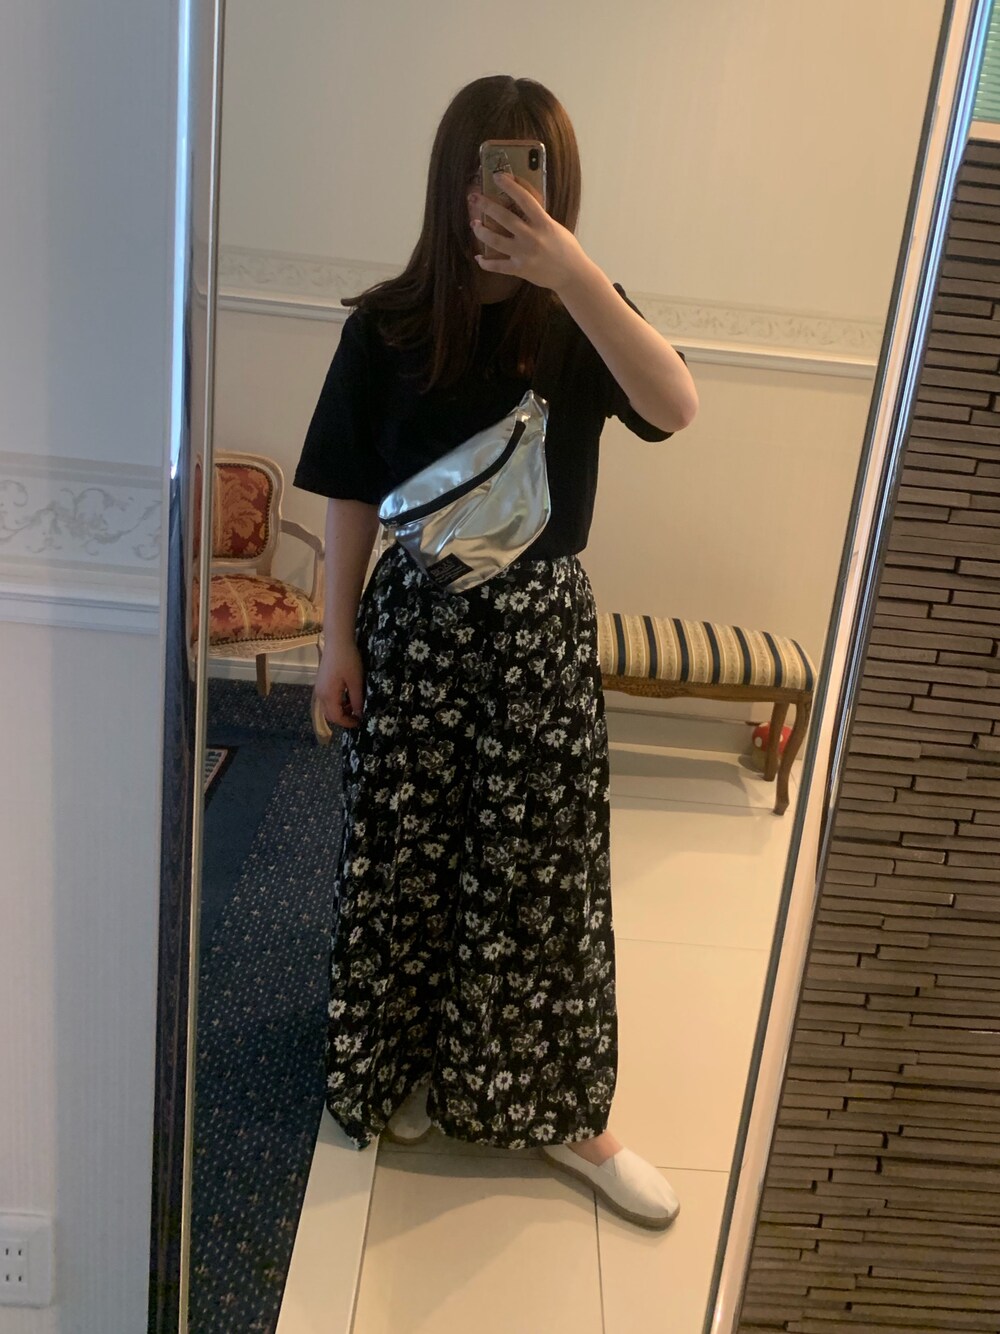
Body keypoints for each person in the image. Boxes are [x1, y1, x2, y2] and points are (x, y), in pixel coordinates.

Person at [294, 74, 698, 1230]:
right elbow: (349, 494)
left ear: (556, 185)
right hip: (413, 627)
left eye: (529, 170)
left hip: (537, 637)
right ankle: (405, 1060)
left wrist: (573, 273)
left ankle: (566, 1113)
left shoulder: (583, 315)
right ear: (453, 179)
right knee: (406, 860)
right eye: (489, 168)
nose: (506, 192)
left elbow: (674, 406)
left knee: (539, 873)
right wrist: (333, 640)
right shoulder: (386, 325)